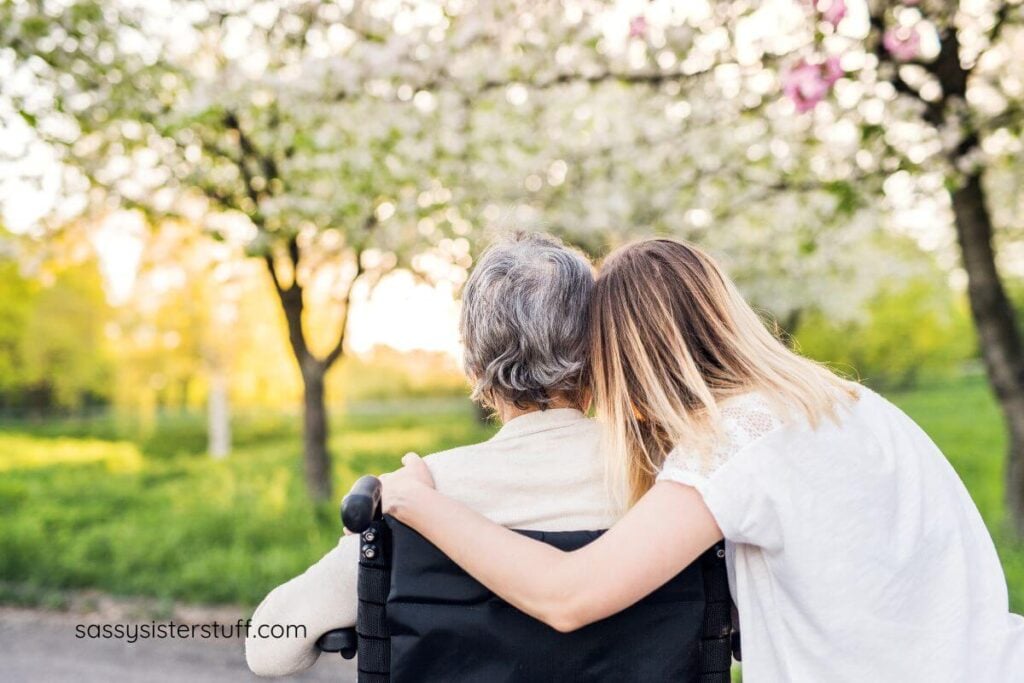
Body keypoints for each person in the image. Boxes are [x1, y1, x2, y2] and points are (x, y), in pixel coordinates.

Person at [382, 238, 1024, 682]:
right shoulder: (846, 402)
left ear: (631, 356)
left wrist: (418, 501)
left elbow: (568, 596)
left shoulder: (735, 441)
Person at [245, 232, 619, 676]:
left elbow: (268, 648)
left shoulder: (418, 495)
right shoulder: (671, 489)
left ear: (474, 366)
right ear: (599, 353)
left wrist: (367, 539)